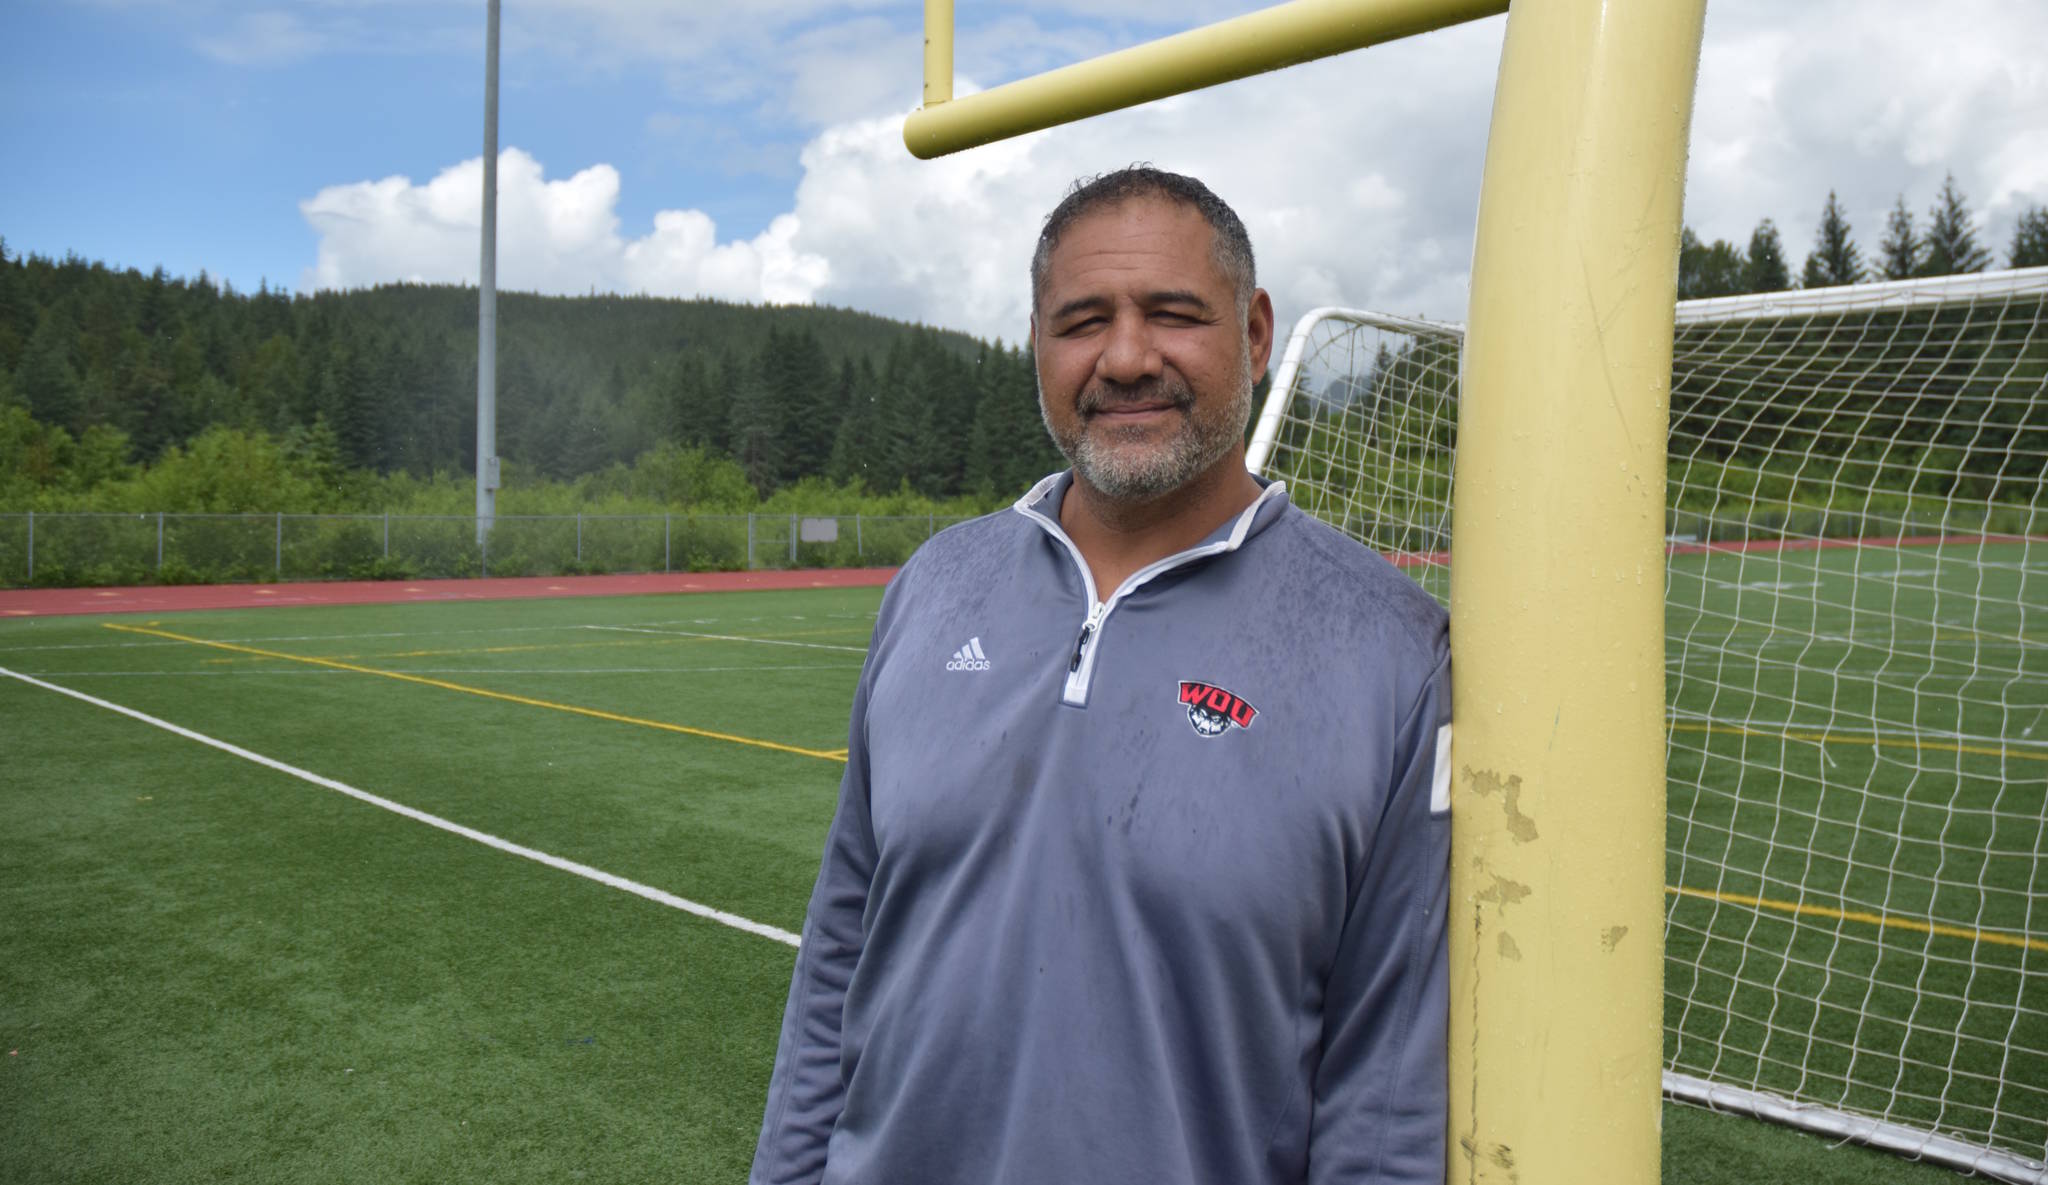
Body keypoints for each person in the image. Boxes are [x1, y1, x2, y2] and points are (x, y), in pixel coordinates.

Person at [750, 166, 1452, 1185]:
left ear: (1254, 334)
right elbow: (837, 960)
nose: (1125, 359)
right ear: (1036, 343)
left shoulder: (1389, 646)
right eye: (1082, 320)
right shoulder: (935, 587)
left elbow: (1384, 1094)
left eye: (1171, 314)